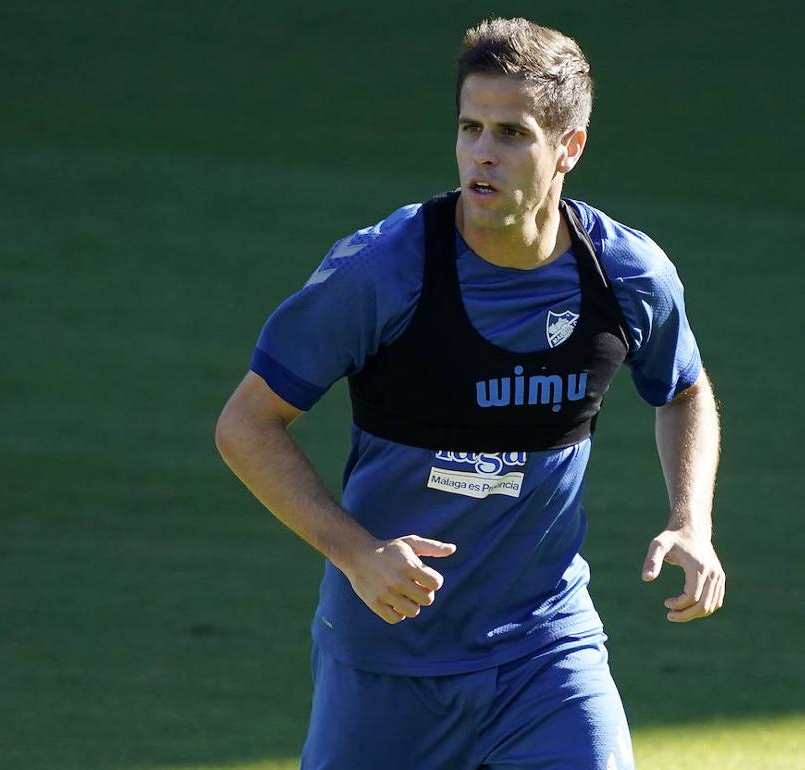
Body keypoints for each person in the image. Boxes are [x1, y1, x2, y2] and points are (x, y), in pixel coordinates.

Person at [215, 17, 725, 770]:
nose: (482, 153)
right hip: (389, 660)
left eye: (513, 133)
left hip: (544, 650)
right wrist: (357, 555)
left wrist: (691, 518)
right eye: (470, 126)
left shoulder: (624, 274)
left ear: (568, 149)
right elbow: (247, 424)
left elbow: (683, 389)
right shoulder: (381, 272)